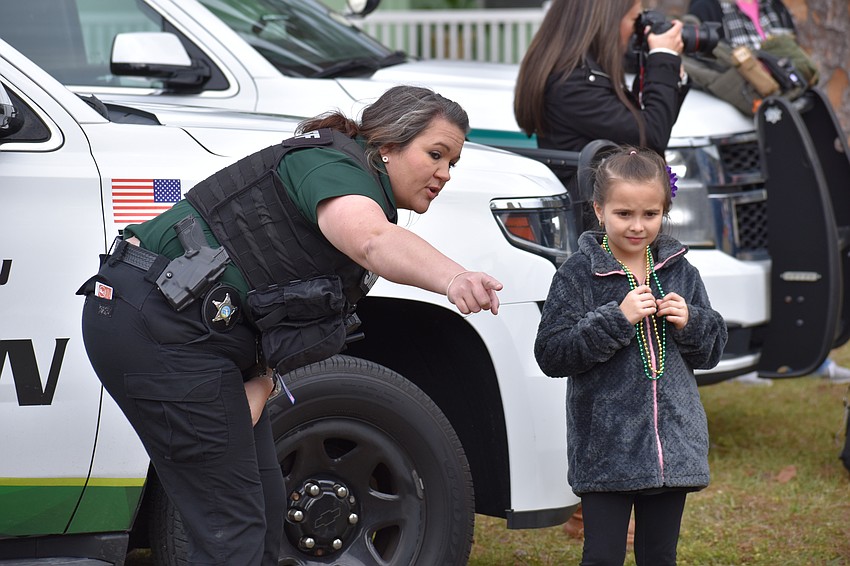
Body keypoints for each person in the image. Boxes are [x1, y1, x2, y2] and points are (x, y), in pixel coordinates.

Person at [77, 85, 502, 566]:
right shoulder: (330, 168)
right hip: (157, 329)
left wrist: (261, 381)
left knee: (261, 507)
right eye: (435, 154)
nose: (445, 174)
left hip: (196, 341)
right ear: (387, 144)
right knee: (231, 528)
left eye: (453, 163)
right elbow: (373, 240)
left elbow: (280, 311)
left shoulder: (358, 184)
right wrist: (454, 278)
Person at [534, 146, 728, 565]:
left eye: (650, 214)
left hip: (672, 449)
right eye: (624, 214)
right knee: (602, 556)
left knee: (659, 555)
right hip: (606, 450)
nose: (638, 226)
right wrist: (615, 319)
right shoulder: (578, 274)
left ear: (664, 211)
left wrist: (692, 321)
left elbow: (712, 350)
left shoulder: (680, 271)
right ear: (599, 210)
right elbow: (551, 353)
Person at [688, 0, 850, 385]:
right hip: (750, 144)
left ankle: (813, 351)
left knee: (807, 240)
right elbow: (711, 67)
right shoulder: (708, 7)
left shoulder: (774, 7)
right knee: (776, 248)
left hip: (790, 132)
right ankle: (757, 350)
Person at [514, 0, 689, 157]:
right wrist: (663, 57)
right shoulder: (571, 84)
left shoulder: (584, 72)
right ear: (609, 21)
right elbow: (651, 137)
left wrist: (666, 68)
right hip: (591, 185)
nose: (637, 29)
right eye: (634, 19)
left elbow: (651, 124)